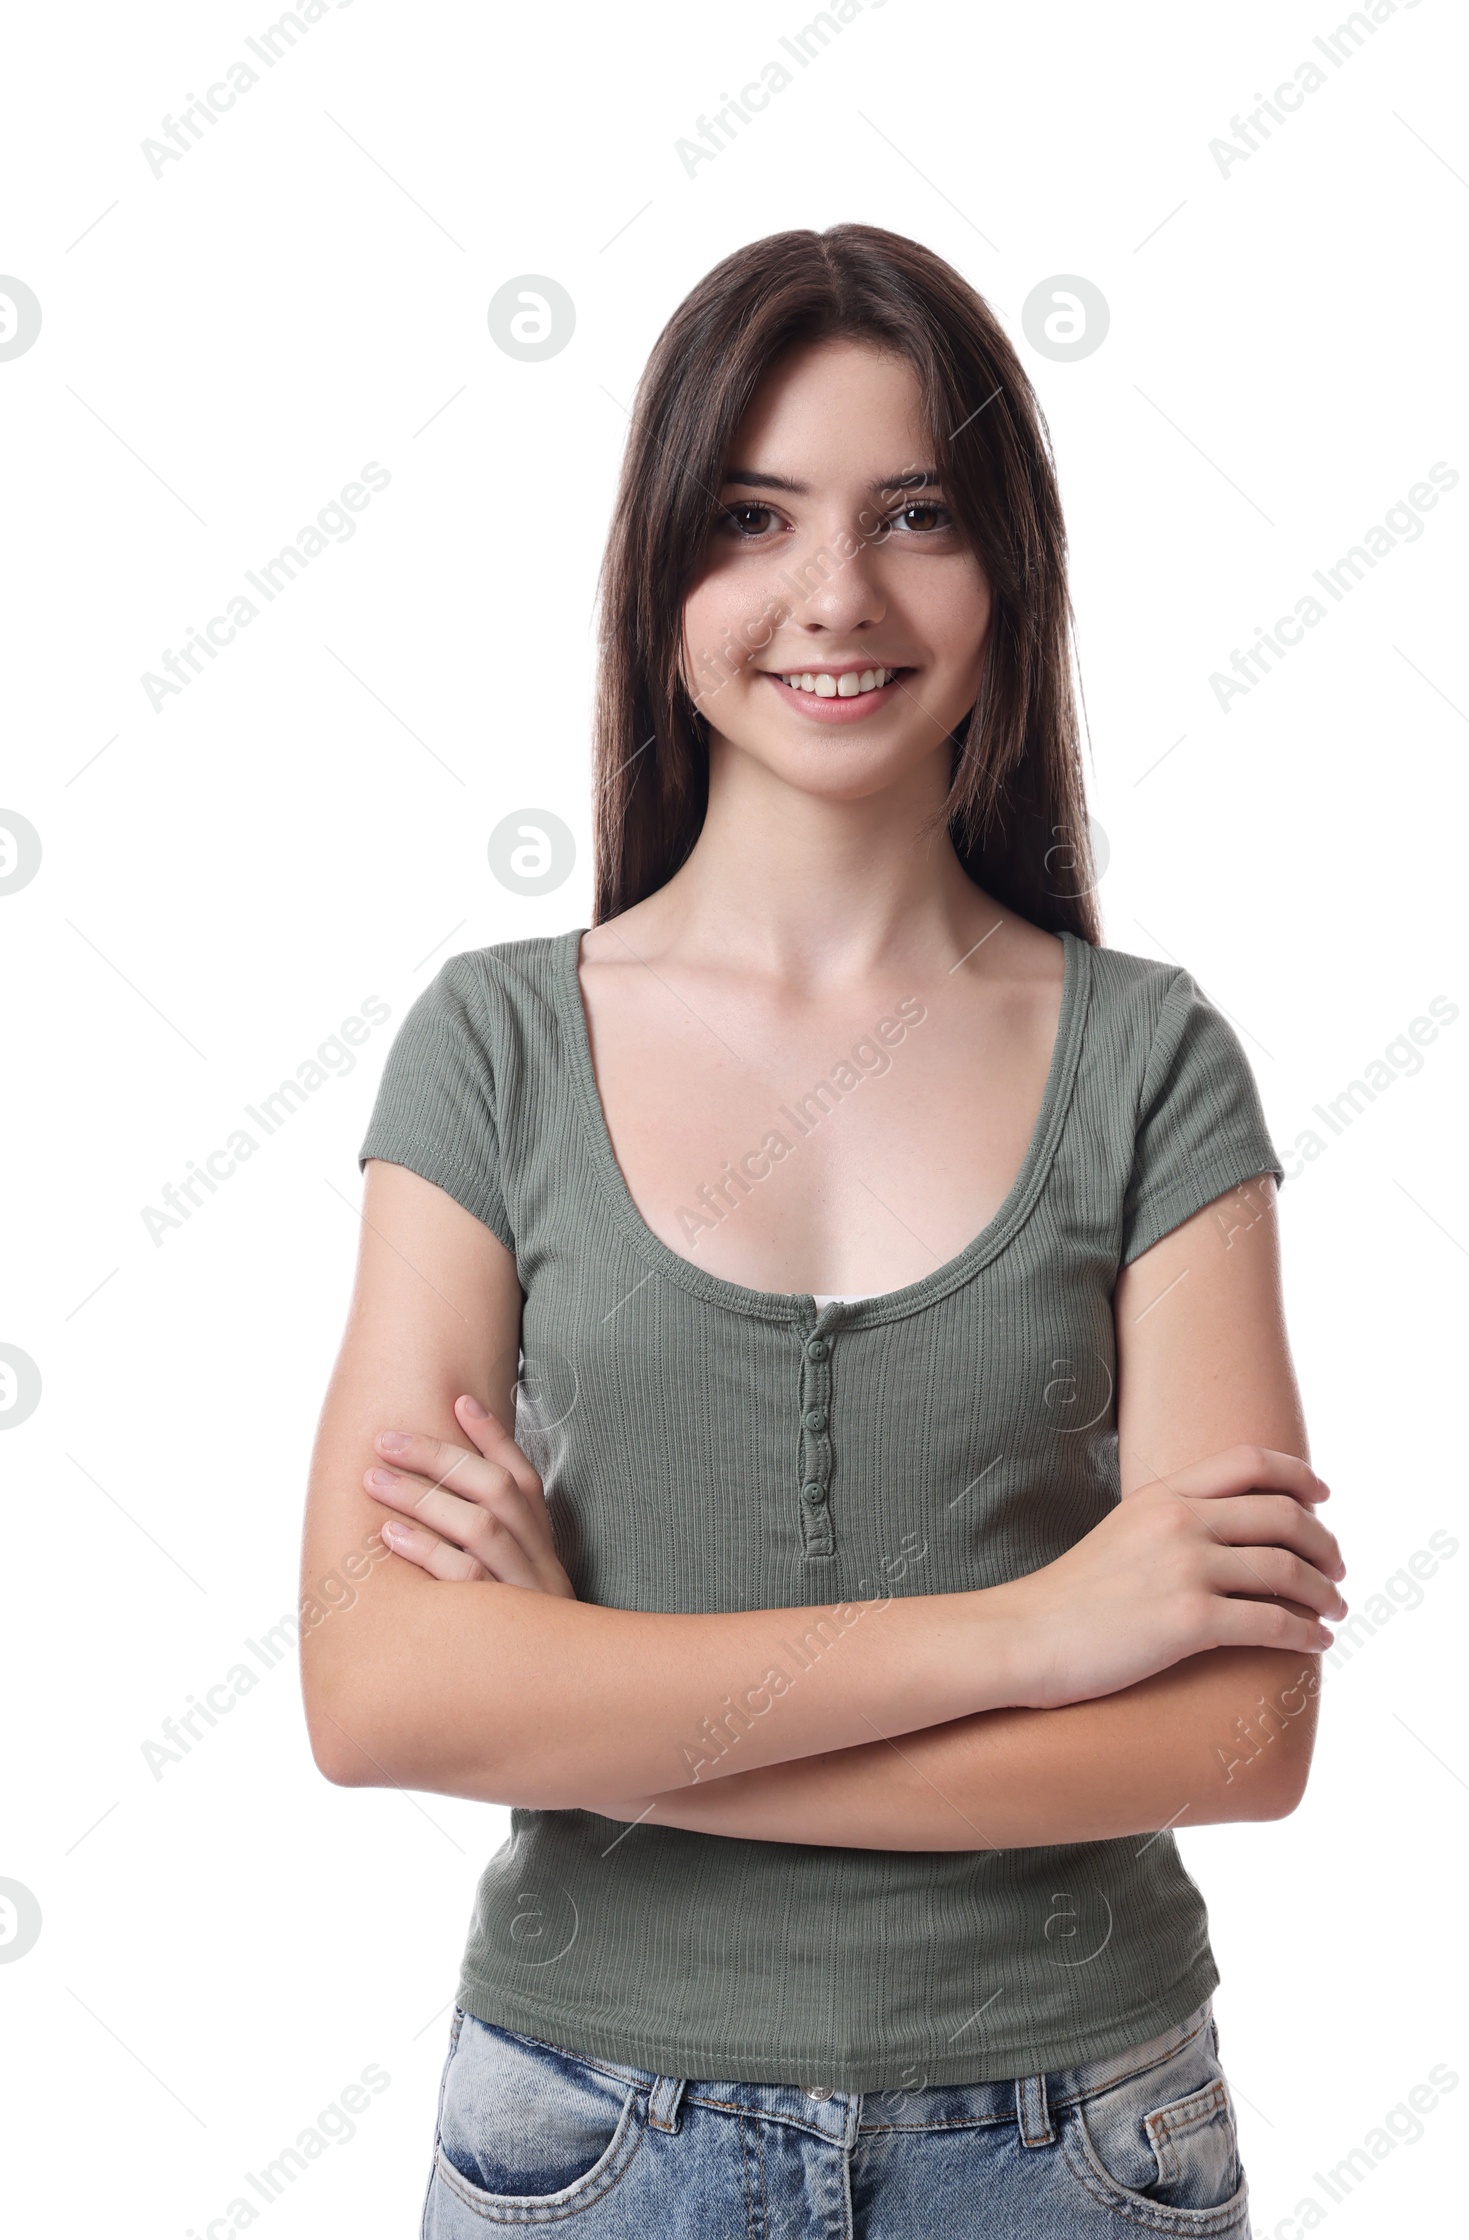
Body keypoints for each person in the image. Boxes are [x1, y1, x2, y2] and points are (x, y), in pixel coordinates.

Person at [298, 222, 1346, 2237]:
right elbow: (377, 1691)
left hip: (1072, 2141)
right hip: (584, 2140)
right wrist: (1036, 1635)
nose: (832, 596)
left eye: (913, 516)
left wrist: (597, 1709)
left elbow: (1237, 1725)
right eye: (754, 518)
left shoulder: (1147, 1059)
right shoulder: (495, 1043)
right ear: (661, 580)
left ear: (1003, 571)